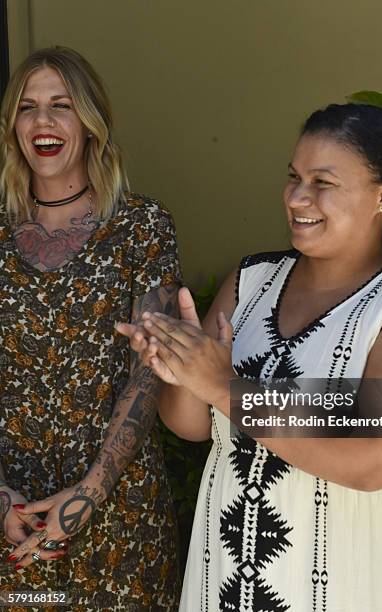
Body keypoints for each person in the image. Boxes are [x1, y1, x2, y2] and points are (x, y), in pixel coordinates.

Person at [120, 104, 382, 611]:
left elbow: (375, 460)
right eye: (294, 177)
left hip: (348, 562)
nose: (298, 197)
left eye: (323, 182)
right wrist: (183, 369)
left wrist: (224, 387)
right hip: (232, 557)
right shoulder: (251, 281)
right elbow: (191, 426)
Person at [0, 46, 180, 610]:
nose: (43, 122)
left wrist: (90, 493)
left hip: (120, 510)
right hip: (15, 516)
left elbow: (149, 373)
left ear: (91, 122)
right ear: (13, 126)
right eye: (27, 108)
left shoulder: (141, 226)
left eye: (61, 105)